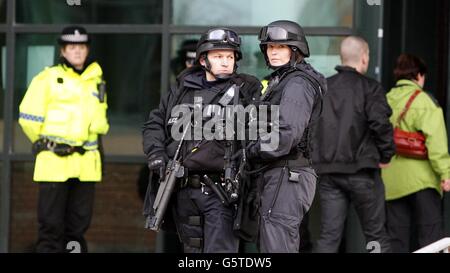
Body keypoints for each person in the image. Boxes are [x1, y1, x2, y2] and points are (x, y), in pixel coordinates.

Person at [142, 27, 261, 253]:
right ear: (203, 60)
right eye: (218, 56)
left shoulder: (245, 91)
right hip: (184, 192)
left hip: (221, 192)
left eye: (230, 56)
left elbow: (259, 133)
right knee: (192, 251)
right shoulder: (182, 89)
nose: (226, 62)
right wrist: (156, 154)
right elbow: (154, 124)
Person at [18, 26, 109, 253]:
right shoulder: (47, 79)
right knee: (51, 227)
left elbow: (98, 125)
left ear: (87, 50)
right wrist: (46, 144)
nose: (77, 52)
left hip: (86, 165)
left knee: (77, 230)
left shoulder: (97, 82)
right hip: (54, 163)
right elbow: (28, 118)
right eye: (72, 47)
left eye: (81, 47)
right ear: (63, 51)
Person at [243, 20, 326, 253]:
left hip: (287, 175)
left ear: (296, 50)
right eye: (270, 47)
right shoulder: (282, 80)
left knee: (276, 245)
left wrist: (252, 150)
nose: (273, 52)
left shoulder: (297, 83)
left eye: (280, 47)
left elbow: (286, 134)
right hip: (280, 175)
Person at [311, 36, 395, 253]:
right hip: (363, 172)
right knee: (375, 235)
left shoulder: (323, 89)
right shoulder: (371, 88)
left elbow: (310, 129)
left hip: (329, 173)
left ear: (342, 57)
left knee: (329, 236)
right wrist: (386, 155)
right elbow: (380, 124)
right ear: (364, 57)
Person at [382, 53, 450, 252]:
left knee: (396, 239)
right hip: (422, 181)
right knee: (431, 239)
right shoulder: (425, 101)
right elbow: (436, 143)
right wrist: (445, 173)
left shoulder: (385, 99)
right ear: (419, 75)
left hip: (392, 182)